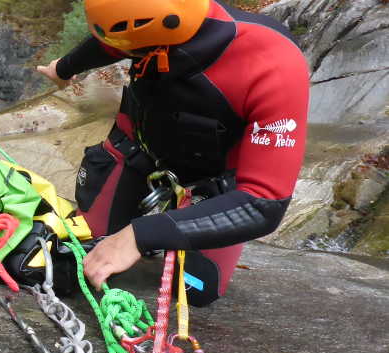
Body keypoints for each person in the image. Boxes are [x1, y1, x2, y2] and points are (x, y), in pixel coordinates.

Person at [37, 0, 309, 306]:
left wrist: (141, 235)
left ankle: (164, 232)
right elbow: (113, 43)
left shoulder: (273, 62)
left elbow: (264, 202)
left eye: (141, 50)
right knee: (79, 255)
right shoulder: (142, 25)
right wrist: (63, 68)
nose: (132, 54)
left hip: (213, 182)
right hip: (136, 152)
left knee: (195, 289)